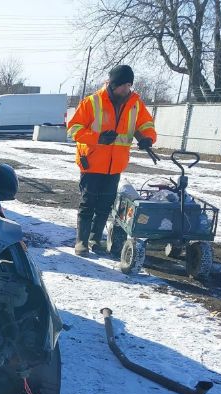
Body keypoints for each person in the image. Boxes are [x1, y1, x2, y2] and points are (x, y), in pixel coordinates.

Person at [67, 65, 157, 256]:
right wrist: (97, 137)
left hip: (115, 166)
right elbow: (73, 129)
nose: (126, 89)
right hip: (91, 163)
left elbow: (146, 124)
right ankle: (81, 242)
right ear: (113, 84)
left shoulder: (135, 103)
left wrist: (148, 137)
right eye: (122, 85)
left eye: (129, 85)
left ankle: (94, 239)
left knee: (105, 205)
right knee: (87, 203)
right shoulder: (92, 102)